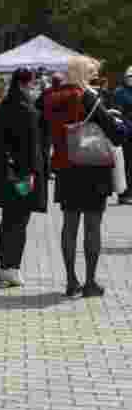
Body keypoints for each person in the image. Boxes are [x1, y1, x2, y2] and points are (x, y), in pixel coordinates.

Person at [43, 56, 123, 298]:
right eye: (91, 73)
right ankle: (89, 282)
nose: (93, 78)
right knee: (92, 226)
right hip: (92, 168)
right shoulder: (87, 96)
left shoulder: (52, 97)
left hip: (65, 168)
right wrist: (121, 125)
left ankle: (70, 280)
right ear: (83, 74)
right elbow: (114, 132)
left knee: (69, 225)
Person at [0, 68, 48, 287]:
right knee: (19, 222)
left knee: (7, 220)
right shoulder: (27, 110)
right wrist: (30, 175)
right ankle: (13, 268)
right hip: (22, 175)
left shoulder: (4, 106)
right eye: (34, 83)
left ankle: (3, 267)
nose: (35, 88)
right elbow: (30, 148)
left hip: (5, 173)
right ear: (26, 84)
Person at [112, 67, 132, 204]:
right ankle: (124, 194)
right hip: (126, 132)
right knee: (125, 164)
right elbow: (118, 113)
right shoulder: (120, 92)